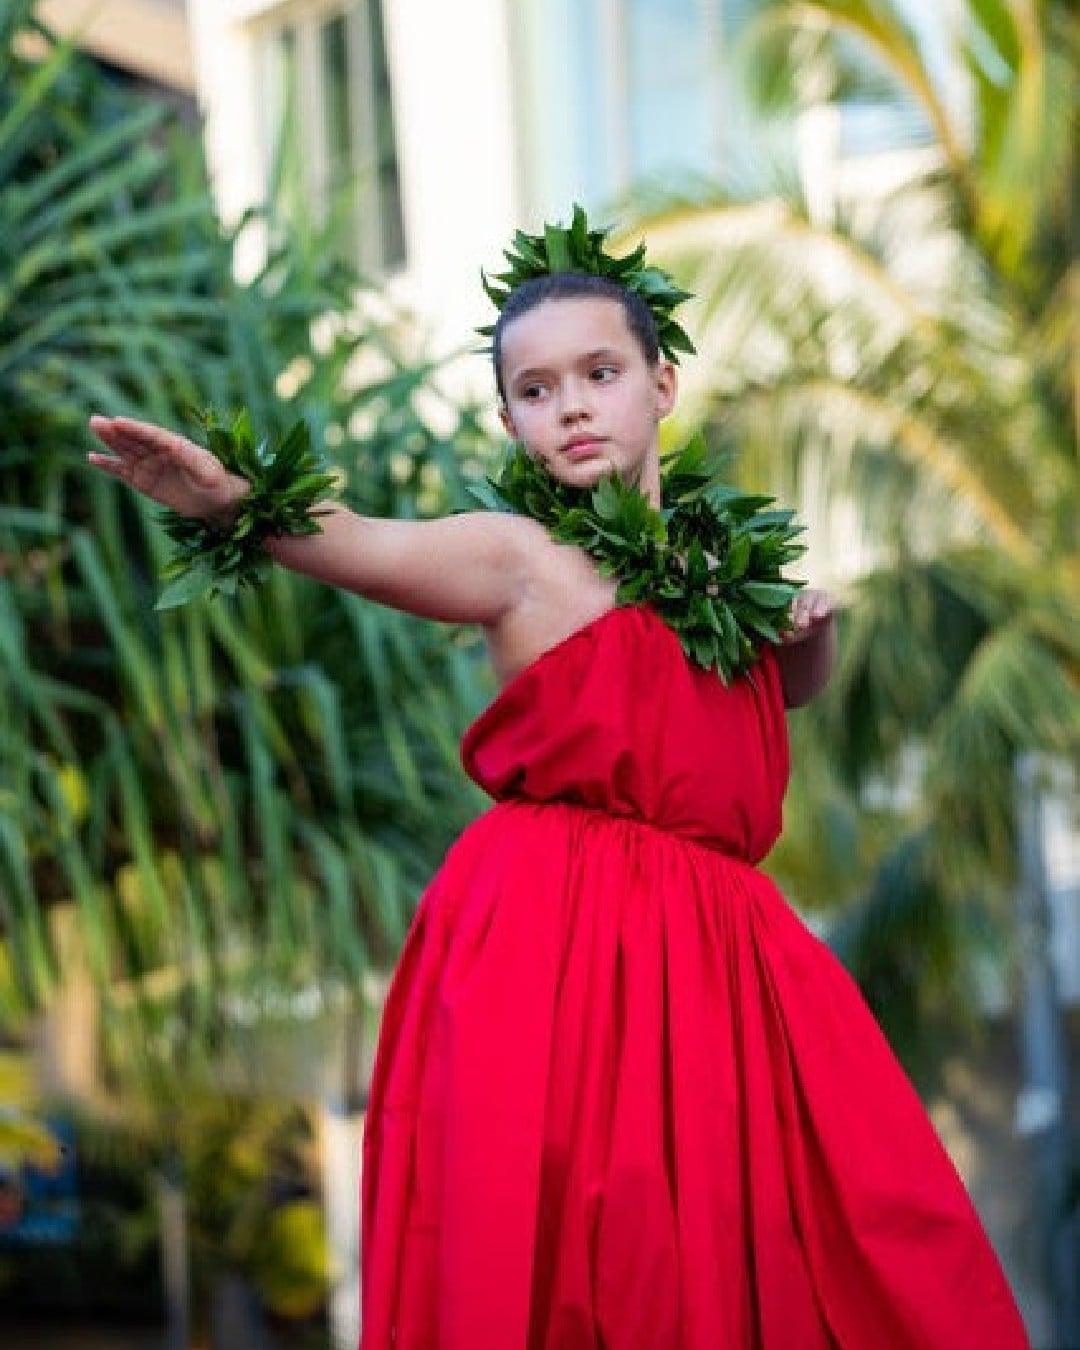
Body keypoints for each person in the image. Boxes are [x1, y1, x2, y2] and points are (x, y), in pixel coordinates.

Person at [88, 219, 1030, 1350]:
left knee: (836, 1235)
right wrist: (235, 501)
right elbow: (356, 537)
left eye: (599, 373)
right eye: (535, 389)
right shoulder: (518, 560)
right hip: (562, 941)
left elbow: (782, 696)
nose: (572, 405)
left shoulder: (716, 574)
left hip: (727, 958)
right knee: (595, 1256)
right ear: (510, 421)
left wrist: (808, 630)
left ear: (660, 383)